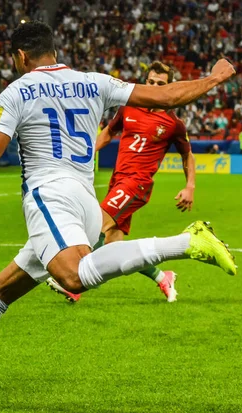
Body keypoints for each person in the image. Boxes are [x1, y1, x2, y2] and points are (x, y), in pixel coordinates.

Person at [0, 21, 237, 394]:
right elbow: (169, 97)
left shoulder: (16, 92)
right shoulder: (96, 81)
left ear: (21, 56)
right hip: (85, 204)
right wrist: (215, 78)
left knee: (72, 278)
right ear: (53, 50)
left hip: (49, 197)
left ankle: (187, 243)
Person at [46, 61, 196, 303]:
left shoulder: (173, 123)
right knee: (113, 246)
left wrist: (190, 186)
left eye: (161, 84)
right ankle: (162, 277)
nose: (154, 87)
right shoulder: (129, 107)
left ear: (169, 87)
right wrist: (86, 153)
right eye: (151, 82)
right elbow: (108, 132)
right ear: (145, 82)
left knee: (96, 224)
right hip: (118, 181)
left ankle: (74, 284)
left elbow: (186, 154)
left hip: (137, 184)